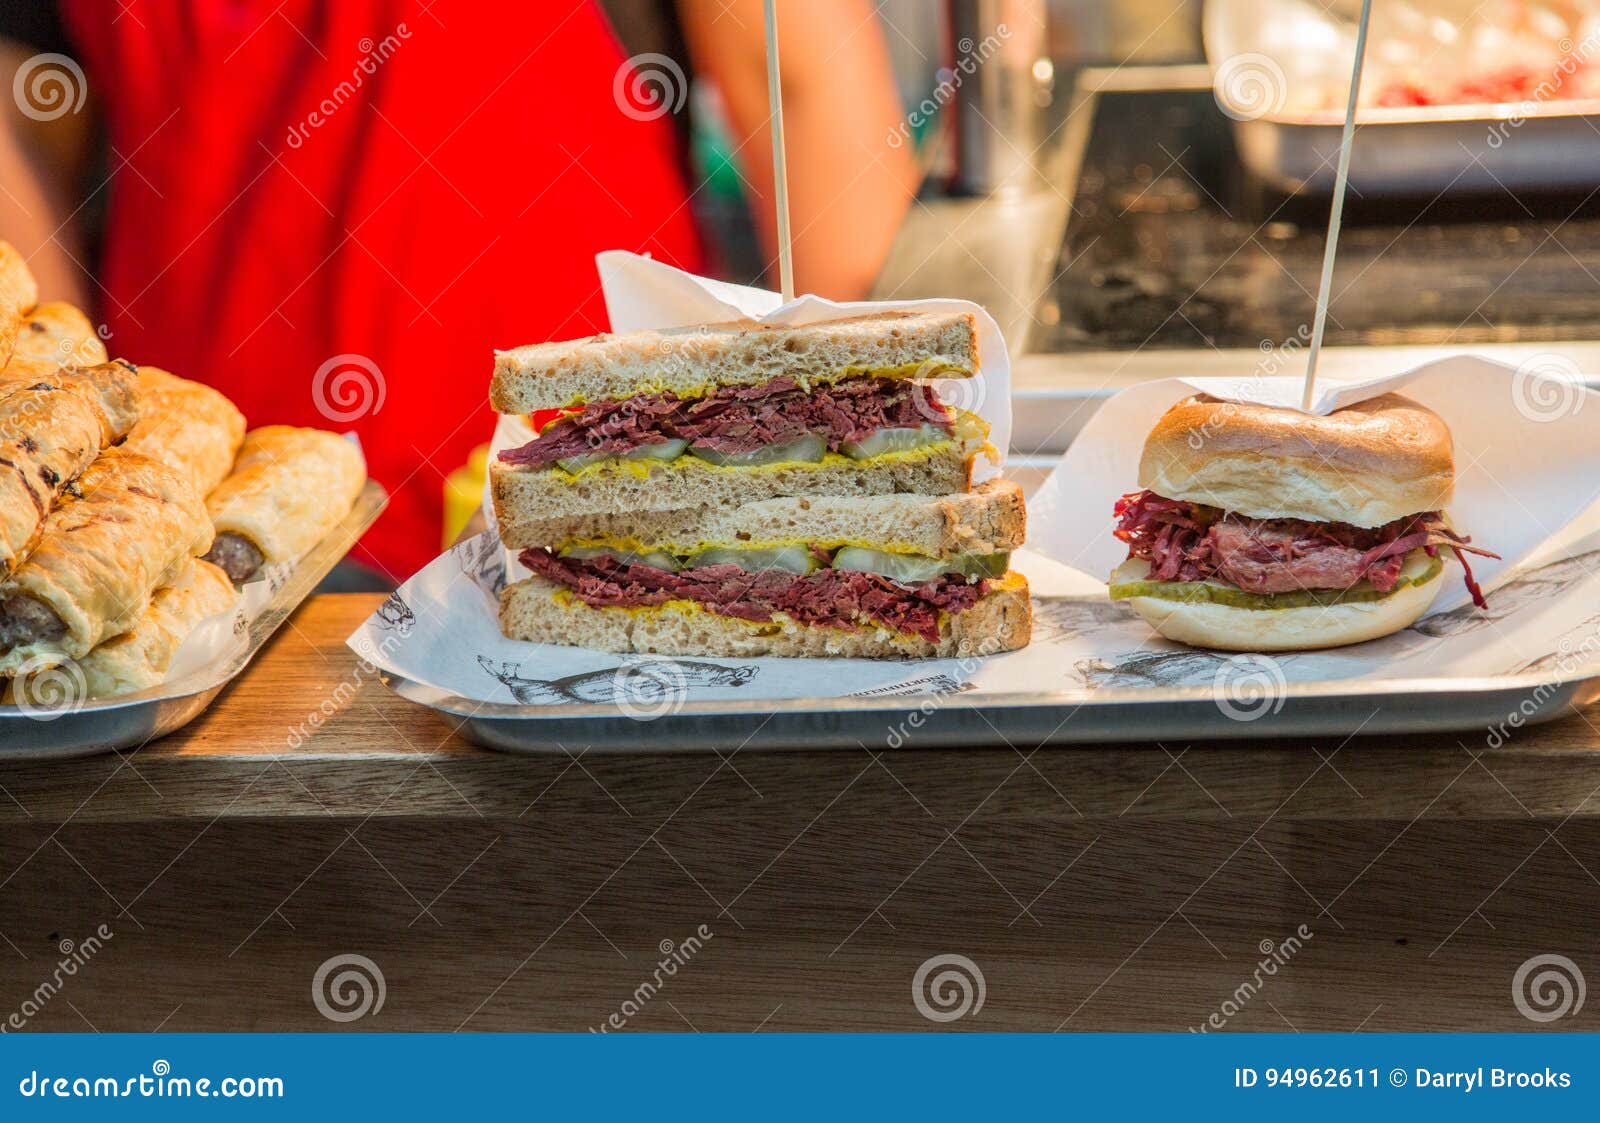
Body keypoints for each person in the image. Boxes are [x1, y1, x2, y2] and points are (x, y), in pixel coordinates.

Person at [0, 1, 919, 578]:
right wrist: (64, 479)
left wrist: (856, 477)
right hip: (197, 552)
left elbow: (800, 83)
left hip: (622, 521)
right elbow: (22, 118)